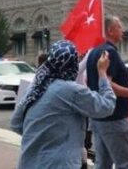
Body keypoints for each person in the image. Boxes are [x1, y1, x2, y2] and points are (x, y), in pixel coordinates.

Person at [10, 40, 116, 169]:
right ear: (72, 64)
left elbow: (15, 123)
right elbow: (106, 107)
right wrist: (103, 74)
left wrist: (40, 136)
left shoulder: (36, 86)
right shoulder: (70, 90)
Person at [86, 16, 128, 169]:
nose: (123, 30)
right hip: (114, 118)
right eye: (119, 27)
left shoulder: (93, 52)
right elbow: (107, 85)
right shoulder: (109, 52)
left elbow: (88, 80)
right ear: (110, 31)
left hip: (98, 118)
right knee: (125, 164)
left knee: (102, 164)